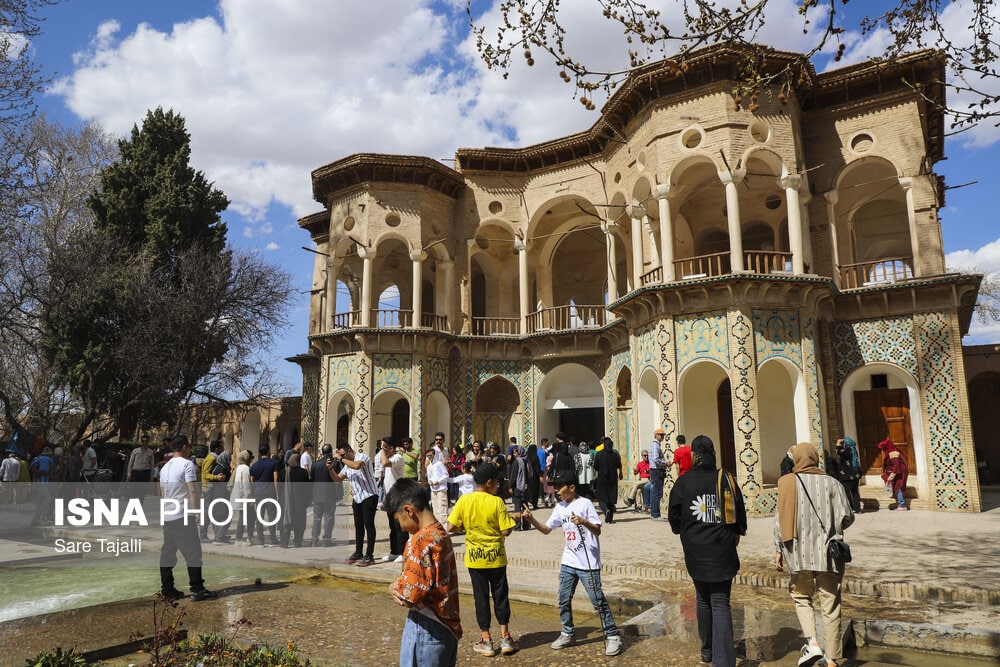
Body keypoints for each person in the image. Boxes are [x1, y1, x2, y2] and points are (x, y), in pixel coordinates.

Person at [522, 469, 623, 656]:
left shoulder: (585, 504)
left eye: (560, 487)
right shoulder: (560, 507)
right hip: (568, 561)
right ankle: (567, 632)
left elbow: (598, 531)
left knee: (597, 600)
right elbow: (546, 529)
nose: (557, 490)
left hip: (588, 564)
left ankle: (613, 635)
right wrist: (532, 519)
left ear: (572, 487)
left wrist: (584, 521)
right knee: (563, 598)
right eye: (555, 487)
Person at [667, 435, 747, 667]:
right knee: (720, 601)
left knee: (703, 599)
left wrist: (683, 531)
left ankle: (707, 652)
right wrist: (737, 532)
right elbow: (739, 512)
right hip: (721, 549)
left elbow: (674, 515)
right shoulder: (726, 479)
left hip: (695, 550)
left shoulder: (684, 482)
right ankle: (723, 661)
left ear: (694, 456)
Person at [775, 441, 855, 667]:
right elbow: (847, 517)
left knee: (802, 597)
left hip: (797, 554)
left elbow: (779, 523)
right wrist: (831, 528)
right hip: (828, 555)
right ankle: (831, 659)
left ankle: (812, 644)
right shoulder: (833, 484)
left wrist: (779, 549)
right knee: (830, 605)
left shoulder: (787, 483)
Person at [445, 462, 521, 657]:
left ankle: (486, 639)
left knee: (481, 597)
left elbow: (451, 526)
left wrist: (470, 527)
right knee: (500, 596)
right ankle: (505, 637)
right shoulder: (497, 502)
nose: (498, 485)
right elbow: (505, 530)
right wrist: (514, 520)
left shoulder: (464, 501)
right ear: (489, 483)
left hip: (475, 559)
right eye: (497, 482)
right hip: (496, 558)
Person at [386, 478, 463, 667]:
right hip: (447, 627)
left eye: (399, 521)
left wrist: (393, 587)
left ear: (409, 511)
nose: (401, 528)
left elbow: (408, 596)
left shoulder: (420, 541)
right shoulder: (440, 533)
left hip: (426, 628)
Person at [158, 435, 218, 602]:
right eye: (189, 447)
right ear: (184, 447)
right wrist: (197, 511)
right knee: (193, 553)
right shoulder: (187, 464)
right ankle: (197, 589)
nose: (190, 450)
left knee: (168, 554)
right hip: (182, 514)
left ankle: (167, 590)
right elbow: (192, 490)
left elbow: (163, 493)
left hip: (168, 515)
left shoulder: (165, 467)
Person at [329, 442, 379, 566]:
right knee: (358, 526)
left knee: (369, 525)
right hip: (357, 498)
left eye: (343, 455)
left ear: (349, 451)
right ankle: (358, 552)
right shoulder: (346, 465)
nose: (342, 458)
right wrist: (330, 469)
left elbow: (357, 466)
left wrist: (341, 458)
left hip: (369, 495)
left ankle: (369, 555)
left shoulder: (362, 457)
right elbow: (337, 479)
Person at [380, 437, 407, 561]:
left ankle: (403, 552)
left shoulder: (398, 458)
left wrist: (382, 450)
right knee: (392, 526)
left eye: (384, 447)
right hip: (389, 497)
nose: (382, 450)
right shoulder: (389, 458)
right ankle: (394, 551)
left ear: (391, 448)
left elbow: (385, 463)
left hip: (398, 496)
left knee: (400, 526)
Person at [310, 443, 342, 547]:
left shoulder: (315, 464)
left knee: (316, 518)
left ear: (322, 452)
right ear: (331, 452)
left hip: (317, 494)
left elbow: (312, 480)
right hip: (330, 494)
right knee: (329, 517)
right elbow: (338, 480)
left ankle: (314, 540)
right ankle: (326, 540)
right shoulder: (335, 464)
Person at [249, 443, 281, 547]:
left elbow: (252, 481)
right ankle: (272, 539)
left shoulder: (254, 465)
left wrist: (253, 493)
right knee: (272, 516)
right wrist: (278, 492)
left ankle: (261, 541)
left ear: (259, 453)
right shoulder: (274, 463)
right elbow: (276, 478)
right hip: (270, 492)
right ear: (268, 452)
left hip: (258, 493)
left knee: (259, 517)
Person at [281, 452, 310, 547]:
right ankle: (297, 541)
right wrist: (308, 500)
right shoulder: (303, 472)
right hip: (300, 501)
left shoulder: (284, 472)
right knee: (299, 521)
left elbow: (279, 486)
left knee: (286, 519)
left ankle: (284, 542)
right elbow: (307, 488)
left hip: (286, 501)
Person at [593, 437, 623, 523]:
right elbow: (619, 465)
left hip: (602, 478)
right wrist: (620, 473)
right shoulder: (615, 454)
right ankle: (610, 518)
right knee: (611, 498)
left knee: (601, 498)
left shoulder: (599, 454)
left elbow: (595, 466)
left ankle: (606, 511)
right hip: (613, 478)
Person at [228, 449, 254, 546]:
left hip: (240, 495)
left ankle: (247, 537)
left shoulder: (239, 467)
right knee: (244, 517)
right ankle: (239, 538)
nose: (252, 459)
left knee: (246, 516)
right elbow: (246, 484)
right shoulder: (245, 469)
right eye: (251, 457)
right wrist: (251, 496)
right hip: (244, 496)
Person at [878, 439, 909, 511]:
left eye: (883, 448)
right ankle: (901, 503)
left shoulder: (893, 453)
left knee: (898, 486)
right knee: (897, 486)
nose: (882, 450)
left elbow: (896, 466)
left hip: (900, 472)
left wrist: (891, 476)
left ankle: (902, 505)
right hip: (897, 472)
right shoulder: (890, 452)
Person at [834, 438, 862, 513]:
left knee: (847, 492)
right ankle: (857, 508)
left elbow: (838, 451)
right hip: (855, 475)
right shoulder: (853, 450)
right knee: (855, 492)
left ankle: (851, 508)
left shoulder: (848, 450)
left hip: (847, 476)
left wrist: (838, 443)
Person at [647, 427, 670, 520]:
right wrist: (665, 463)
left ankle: (654, 513)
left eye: (663, 435)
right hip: (657, 471)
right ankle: (655, 514)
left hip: (657, 470)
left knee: (655, 492)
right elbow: (656, 459)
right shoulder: (655, 445)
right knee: (657, 493)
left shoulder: (656, 445)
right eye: (660, 435)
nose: (662, 437)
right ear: (656, 435)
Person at [127, 435, 156, 501]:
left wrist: (151, 476)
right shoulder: (135, 451)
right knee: (133, 490)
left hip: (145, 473)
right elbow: (131, 462)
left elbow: (152, 464)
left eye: (146, 441)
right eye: (143, 441)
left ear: (148, 442)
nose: (144, 442)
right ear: (141, 442)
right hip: (135, 472)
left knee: (142, 492)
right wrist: (129, 473)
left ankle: (140, 506)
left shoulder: (150, 452)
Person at [426, 448, 450, 522]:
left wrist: (438, 481)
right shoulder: (429, 466)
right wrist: (429, 481)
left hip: (441, 489)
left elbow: (446, 475)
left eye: (430, 455)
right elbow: (429, 477)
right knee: (435, 510)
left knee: (442, 510)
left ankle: (444, 530)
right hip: (433, 490)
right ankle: (439, 529)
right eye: (428, 456)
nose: (429, 457)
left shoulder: (439, 464)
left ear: (434, 455)